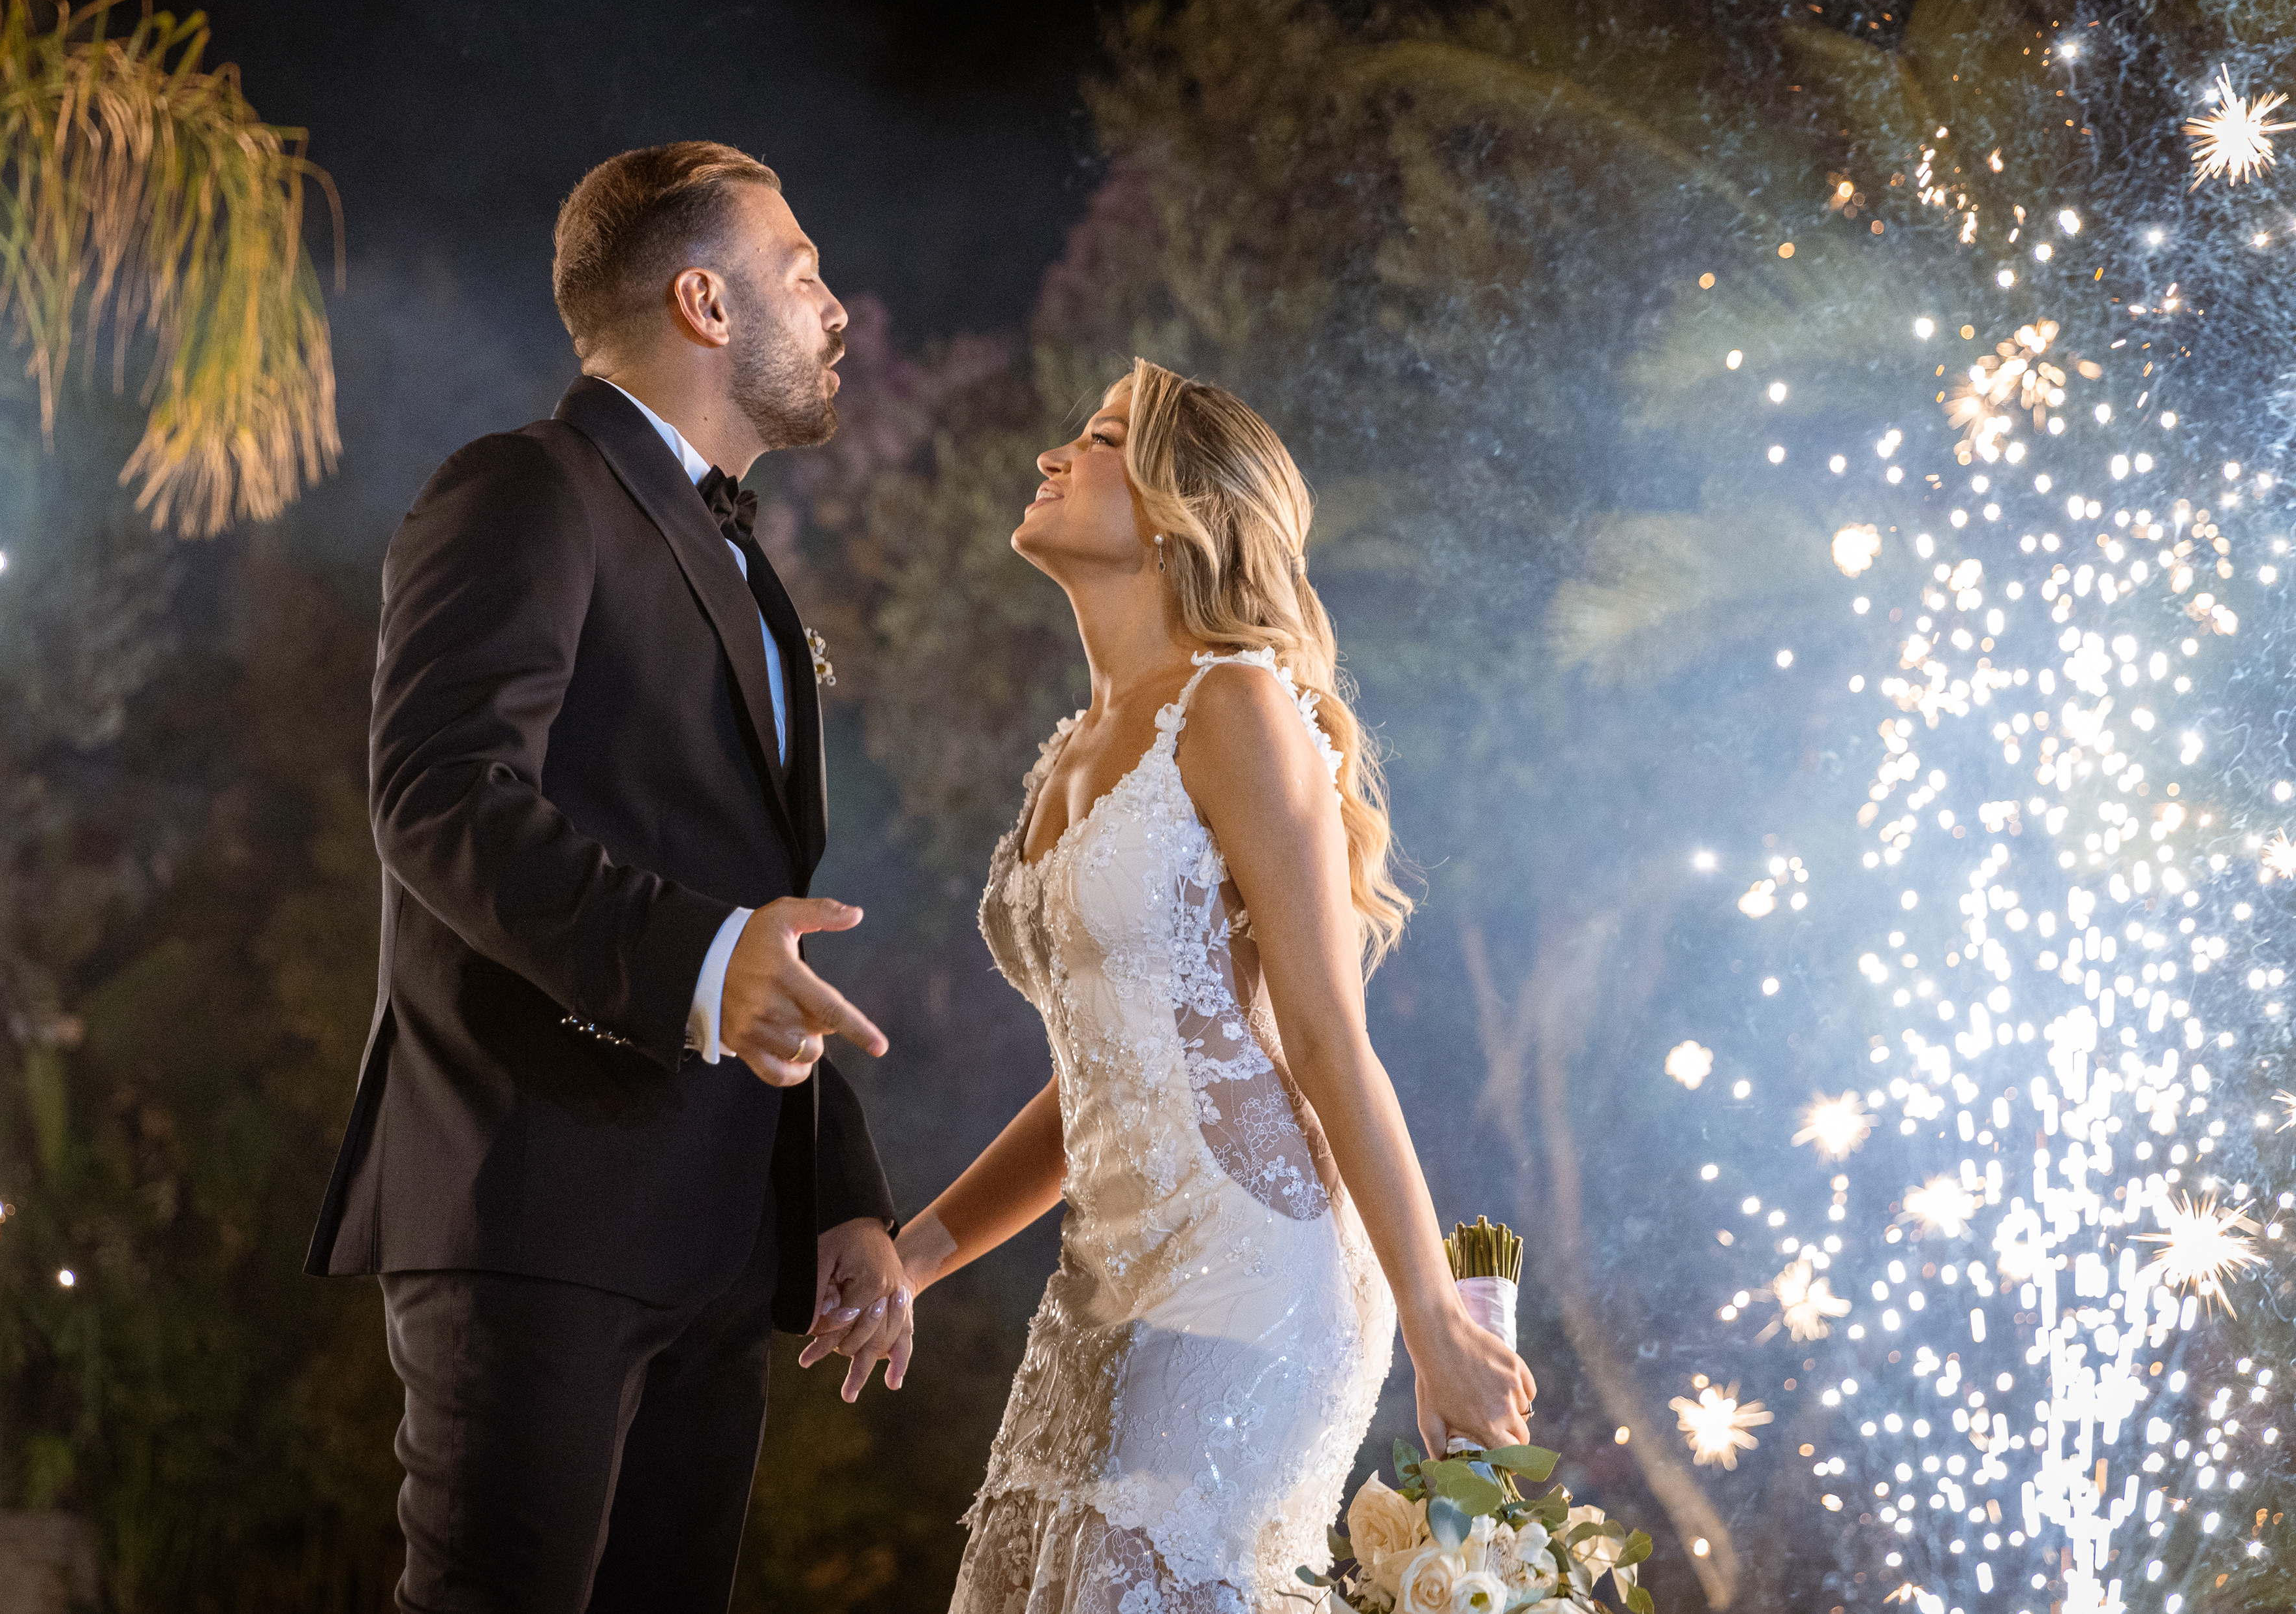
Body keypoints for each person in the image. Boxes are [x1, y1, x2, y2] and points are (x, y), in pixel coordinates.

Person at [305, 141, 913, 1614]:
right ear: (704, 302)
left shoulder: (747, 568)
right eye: (803, 273)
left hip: (718, 1234)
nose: (835, 308)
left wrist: (837, 1190)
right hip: (538, 1204)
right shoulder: (523, 487)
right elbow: (441, 794)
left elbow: (749, 909)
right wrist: (701, 962)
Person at [893, 361, 1536, 1612]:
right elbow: (1100, 1072)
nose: (1053, 457)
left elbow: (1326, 1037)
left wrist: (1434, 1320)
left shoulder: (1236, 705)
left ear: (1181, 510)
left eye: (1099, 439)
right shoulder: (1069, 752)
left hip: (1252, 1263)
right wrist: (914, 1257)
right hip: (1099, 1283)